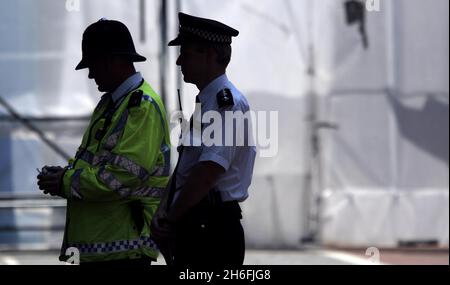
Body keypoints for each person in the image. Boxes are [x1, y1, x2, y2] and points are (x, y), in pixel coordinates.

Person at [37, 18, 171, 266]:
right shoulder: (112, 104)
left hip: (123, 247)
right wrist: (63, 175)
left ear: (113, 61)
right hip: (106, 245)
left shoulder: (141, 106)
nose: (90, 74)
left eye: (93, 65)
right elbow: (97, 162)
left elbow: (123, 175)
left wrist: (66, 182)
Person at [151, 12, 256, 268]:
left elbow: (208, 172)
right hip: (199, 224)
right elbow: (187, 168)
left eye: (186, 53)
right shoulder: (208, 102)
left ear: (210, 54)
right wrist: (165, 210)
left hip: (210, 228)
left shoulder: (225, 103)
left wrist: (171, 219)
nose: (178, 61)